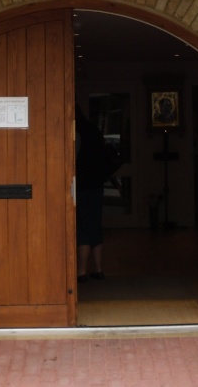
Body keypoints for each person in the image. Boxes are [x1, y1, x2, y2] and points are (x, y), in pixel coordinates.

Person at [75, 104, 111, 282]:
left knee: (82, 228)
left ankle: (81, 272)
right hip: (96, 185)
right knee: (95, 226)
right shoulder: (94, 130)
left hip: (80, 185)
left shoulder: (75, 132)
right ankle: (98, 269)